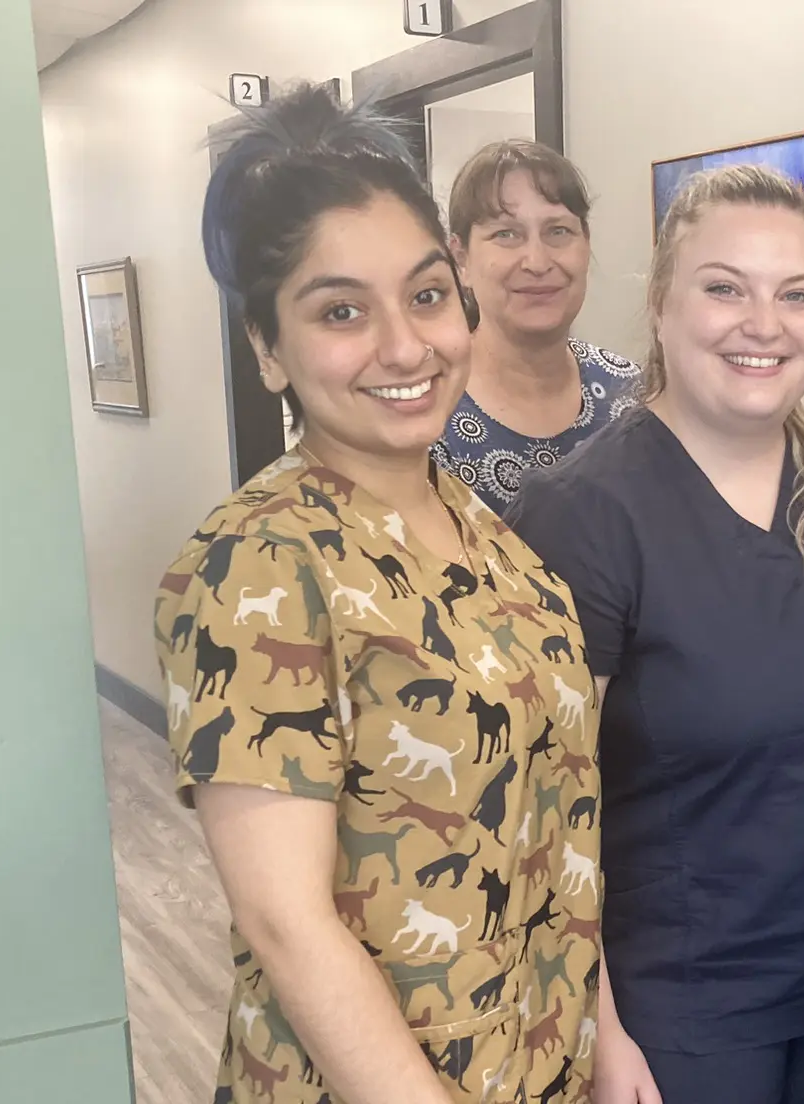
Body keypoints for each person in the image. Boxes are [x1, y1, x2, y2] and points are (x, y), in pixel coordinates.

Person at [158, 84, 599, 1104]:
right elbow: (284, 922)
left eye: (428, 294)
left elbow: (558, 828)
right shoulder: (257, 562)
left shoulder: (492, 534)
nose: (406, 346)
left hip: (540, 1063)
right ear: (267, 346)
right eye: (342, 311)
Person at [506, 164, 804, 1104]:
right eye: (725, 289)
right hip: (680, 1005)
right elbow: (538, 807)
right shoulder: (583, 516)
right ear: (663, 305)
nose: (765, 325)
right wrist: (597, 1024)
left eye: (797, 295)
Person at [433, 139, 640, 510]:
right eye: (506, 234)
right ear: (460, 259)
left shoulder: (633, 395)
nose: (537, 261)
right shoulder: (426, 418)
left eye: (558, 231)